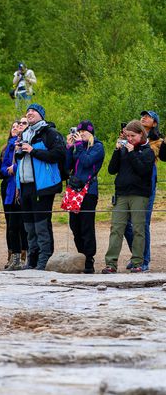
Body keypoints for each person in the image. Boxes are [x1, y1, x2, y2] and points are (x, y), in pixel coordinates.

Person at [14, 103, 65, 270]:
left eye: (33, 111)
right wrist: (19, 151)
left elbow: (58, 154)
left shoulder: (49, 133)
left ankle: (44, 261)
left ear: (41, 115)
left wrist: (33, 150)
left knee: (41, 225)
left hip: (43, 186)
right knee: (28, 226)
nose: (29, 113)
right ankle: (32, 260)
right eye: (28, 111)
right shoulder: (25, 133)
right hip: (25, 185)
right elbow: (23, 158)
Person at [102, 120, 156, 273]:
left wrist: (132, 153)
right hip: (122, 193)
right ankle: (110, 264)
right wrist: (116, 150)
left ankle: (138, 262)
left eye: (133, 136)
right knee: (116, 228)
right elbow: (112, 170)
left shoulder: (148, 151)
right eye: (127, 136)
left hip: (139, 195)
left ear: (141, 134)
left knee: (139, 228)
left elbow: (143, 171)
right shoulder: (124, 149)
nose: (130, 139)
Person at [124, 111, 162, 271]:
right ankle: (137, 255)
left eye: (149, 116)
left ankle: (143, 260)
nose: (144, 117)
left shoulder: (157, 142)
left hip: (147, 181)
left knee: (143, 222)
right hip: (131, 181)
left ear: (154, 123)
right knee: (125, 223)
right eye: (143, 116)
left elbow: (155, 157)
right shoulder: (132, 139)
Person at [65, 120, 104, 274]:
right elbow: (67, 166)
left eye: (84, 133)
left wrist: (79, 145)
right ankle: (81, 254)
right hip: (74, 189)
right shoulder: (77, 147)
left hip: (89, 191)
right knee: (74, 225)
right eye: (79, 133)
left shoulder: (98, 147)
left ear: (91, 133)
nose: (81, 135)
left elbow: (87, 162)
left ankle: (89, 258)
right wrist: (69, 148)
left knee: (87, 225)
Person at [0, 118, 28, 271]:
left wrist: (14, 168)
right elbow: (1, 168)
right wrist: (8, 170)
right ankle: (14, 256)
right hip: (9, 189)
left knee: (23, 225)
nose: (17, 127)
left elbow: (26, 162)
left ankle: (24, 256)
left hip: (22, 188)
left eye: (21, 125)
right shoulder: (8, 147)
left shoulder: (27, 142)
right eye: (15, 126)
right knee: (11, 225)